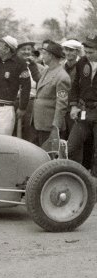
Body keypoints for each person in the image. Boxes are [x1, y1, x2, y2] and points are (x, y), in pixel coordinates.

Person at [31, 41, 70, 146]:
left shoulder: (62, 77)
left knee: (49, 156)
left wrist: (55, 128)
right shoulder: (46, 71)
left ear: (51, 55)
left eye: (44, 53)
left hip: (49, 126)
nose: (42, 56)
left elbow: (61, 105)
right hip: (39, 123)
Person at [68, 34, 97, 175]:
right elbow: (75, 87)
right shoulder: (81, 63)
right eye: (86, 51)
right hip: (84, 111)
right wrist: (73, 106)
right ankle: (72, 177)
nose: (88, 55)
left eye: (91, 52)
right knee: (71, 146)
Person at [15, 41, 44, 141]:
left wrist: (33, 67)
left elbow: (41, 83)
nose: (26, 52)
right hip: (14, 101)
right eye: (23, 49)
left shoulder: (38, 67)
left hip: (31, 103)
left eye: (29, 49)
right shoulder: (12, 65)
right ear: (17, 51)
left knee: (29, 133)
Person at [61, 39, 83, 141]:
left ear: (77, 52)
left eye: (71, 50)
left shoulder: (82, 66)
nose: (68, 53)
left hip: (76, 109)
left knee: (75, 140)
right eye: (66, 50)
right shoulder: (61, 67)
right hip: (62, 109)